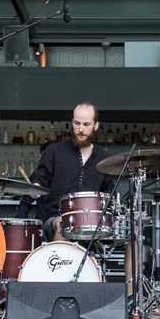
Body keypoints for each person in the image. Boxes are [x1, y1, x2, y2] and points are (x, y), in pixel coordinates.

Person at [29, 102, 115, 243]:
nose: (80, 129)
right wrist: (36, 185)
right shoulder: (54, 151)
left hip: (93, 220)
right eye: (76, 123)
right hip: (56, 217)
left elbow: (109, 190)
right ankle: (59, 264)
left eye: (86, 124)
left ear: (96, 125)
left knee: (133, 232)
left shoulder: (103, 157)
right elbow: (41, 175)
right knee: (65, 225)